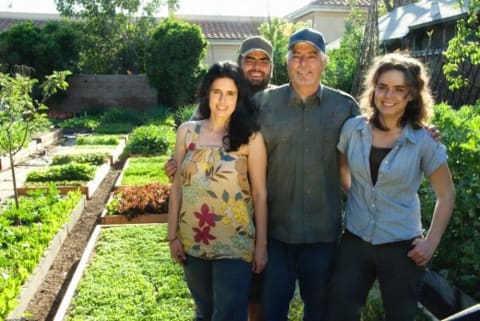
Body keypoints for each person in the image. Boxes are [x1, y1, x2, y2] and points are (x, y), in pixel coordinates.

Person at [326, 53, 455, 321]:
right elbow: (342, 170)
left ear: (411, 96)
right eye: (383, 87)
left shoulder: (422, 141)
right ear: (374, 89)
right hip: (355, 241)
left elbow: (446, 194)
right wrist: (362, 198)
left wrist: (430, 243)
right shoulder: (353, 130)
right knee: (339, 313)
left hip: (401, 246)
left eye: (399, 90)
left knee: (400, 316)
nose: (388, 95)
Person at [254, 28, 360, 321]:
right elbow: (221, 123)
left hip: (323, 234)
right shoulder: (263, 104)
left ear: (324, 62)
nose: (303, 63)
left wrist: (418, 129)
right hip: (275, 233)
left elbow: (379, 138)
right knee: (273, 311)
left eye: (311, 56)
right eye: (296, 56)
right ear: (286, 62)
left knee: (319, 311)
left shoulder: (345, 107)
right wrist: (186, 150)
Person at [166, 35, 274, 321]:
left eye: (230, 93)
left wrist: (260, 246)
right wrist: (172, 236)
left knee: (228, 314)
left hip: (235, 244)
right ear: (206, 94)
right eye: (216, 92)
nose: (222, 100)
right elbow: (177, 187)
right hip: (193, 241)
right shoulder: (186, 132)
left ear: (239, 98)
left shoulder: (250, 138)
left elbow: (261, 194)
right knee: (204, 312)